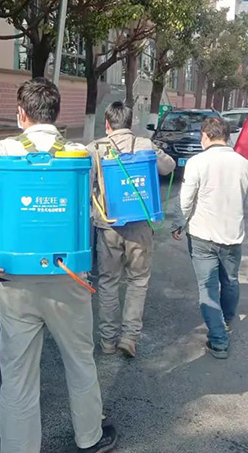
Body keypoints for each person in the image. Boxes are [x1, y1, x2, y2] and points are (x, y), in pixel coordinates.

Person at [0, 78, 117, 453]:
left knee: (17, 376)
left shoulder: (2, 152)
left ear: (21, 114)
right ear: (56, 114)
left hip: (15, 281)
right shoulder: (78, 153)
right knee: (79, 361)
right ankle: (89, 437)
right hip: (69, 277)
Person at [87, 102, 175, 358]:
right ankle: (129, 337)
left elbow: (85, 183)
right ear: (130, 123)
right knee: (138, 280)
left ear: (107, 124)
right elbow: (168, 167)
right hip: (140, 225)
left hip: (108, 225)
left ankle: (107, 340)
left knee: (108, 281)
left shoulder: (95, 148)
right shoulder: (145, 144)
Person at [172, 116, 248, 360]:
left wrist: (178, 224)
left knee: (207, 287)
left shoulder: (197, 162)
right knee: (230, 280)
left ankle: (218, 340)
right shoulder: (245, 164)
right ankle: (226, 321)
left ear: (206, 135)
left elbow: (185, 200)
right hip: (232, 234)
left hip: (202, 235)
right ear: (226, 136)